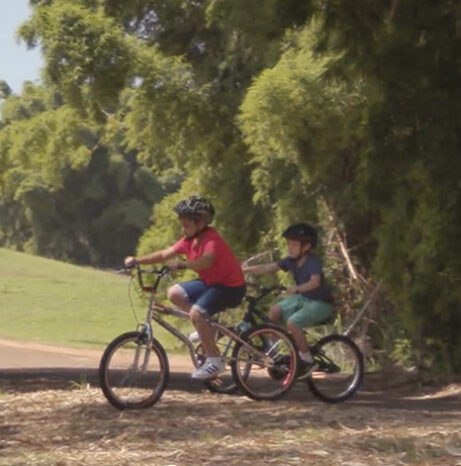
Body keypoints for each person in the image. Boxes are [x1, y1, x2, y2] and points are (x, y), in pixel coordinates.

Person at [124, 195, 246, 380]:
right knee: (174, 293)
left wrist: (183, 265)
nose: (183, 229)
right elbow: (165, 253)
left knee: (197, 313)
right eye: (182, 225)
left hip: (230, 287)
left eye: (187, 225)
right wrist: (137, 260)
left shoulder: (212, 239)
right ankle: (208, 327)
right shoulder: (188, 240)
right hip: (211, 283)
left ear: (201, 223)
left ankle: (215, 360)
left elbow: (207, 261)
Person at [242, 223, 333, 378]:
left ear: (306, 247)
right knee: (275, 311)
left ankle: (307, 360)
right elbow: (267, 268)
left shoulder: (312, 261)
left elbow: (315, 282)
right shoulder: (291, 261)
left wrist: (297, 288)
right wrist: (244, 270)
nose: (290, 247)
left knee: (293, 323)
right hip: (304, 299)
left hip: (320, 304)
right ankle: (274, 352)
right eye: (289, 244)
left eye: (294, 244)